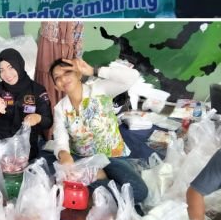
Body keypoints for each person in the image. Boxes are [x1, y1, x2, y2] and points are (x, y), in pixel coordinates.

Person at [50, 57, 148, 205]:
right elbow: (60, 138)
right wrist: (63, 154)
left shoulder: (99, 89)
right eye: (57, 77)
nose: (63, 79)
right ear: (56, 86)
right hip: (84, 159)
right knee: (57, 171)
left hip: (113, 157)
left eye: (67, 72)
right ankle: (99, 184)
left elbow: (133, 77)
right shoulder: (60, 109)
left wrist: (93, 70)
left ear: (78, 74)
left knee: (140, 192)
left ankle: (96, 185)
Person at [0, 49, 53, 160]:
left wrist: (38, 118)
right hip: (0, 141)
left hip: (26, 145)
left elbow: (48, 122)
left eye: (11, 67)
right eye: (2, 70)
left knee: (20, 163)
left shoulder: (37, 90)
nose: (7, 74)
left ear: (19, 65)